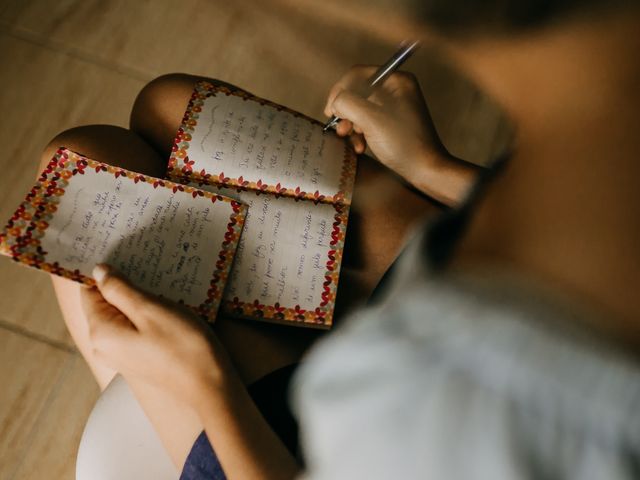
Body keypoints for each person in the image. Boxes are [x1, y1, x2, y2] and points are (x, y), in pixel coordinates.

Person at [41, 0, 640, 478]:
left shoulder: (472, 413)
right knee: (167, 106)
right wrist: (433, 168)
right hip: (457, 295)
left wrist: (202, 380)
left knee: (79, 165)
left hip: (286, 454)